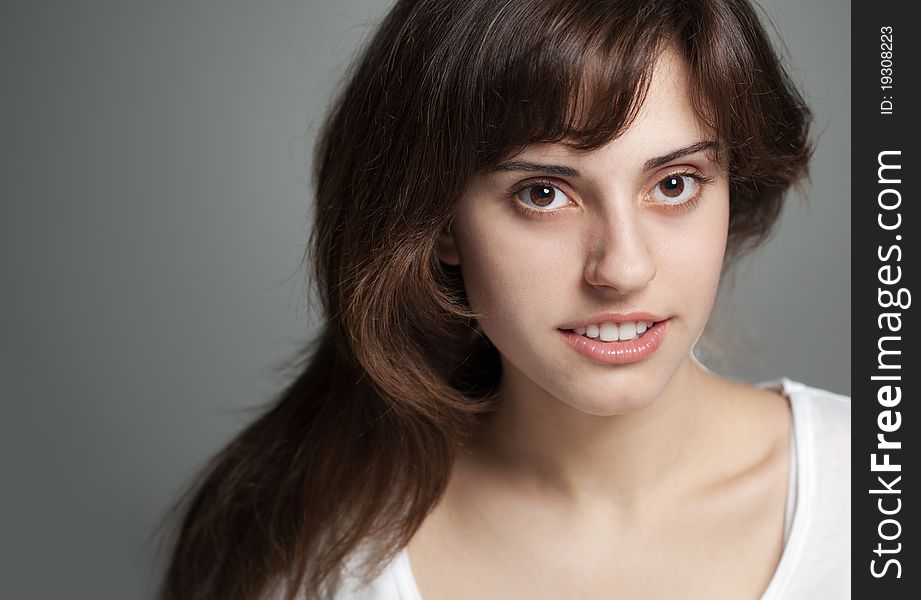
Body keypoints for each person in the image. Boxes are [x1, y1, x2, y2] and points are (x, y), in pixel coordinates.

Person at [158, 0, 850, 598]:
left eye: (673, 183)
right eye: (542, 193)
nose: (622, 268)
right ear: (439, 223)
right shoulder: (311, 557)